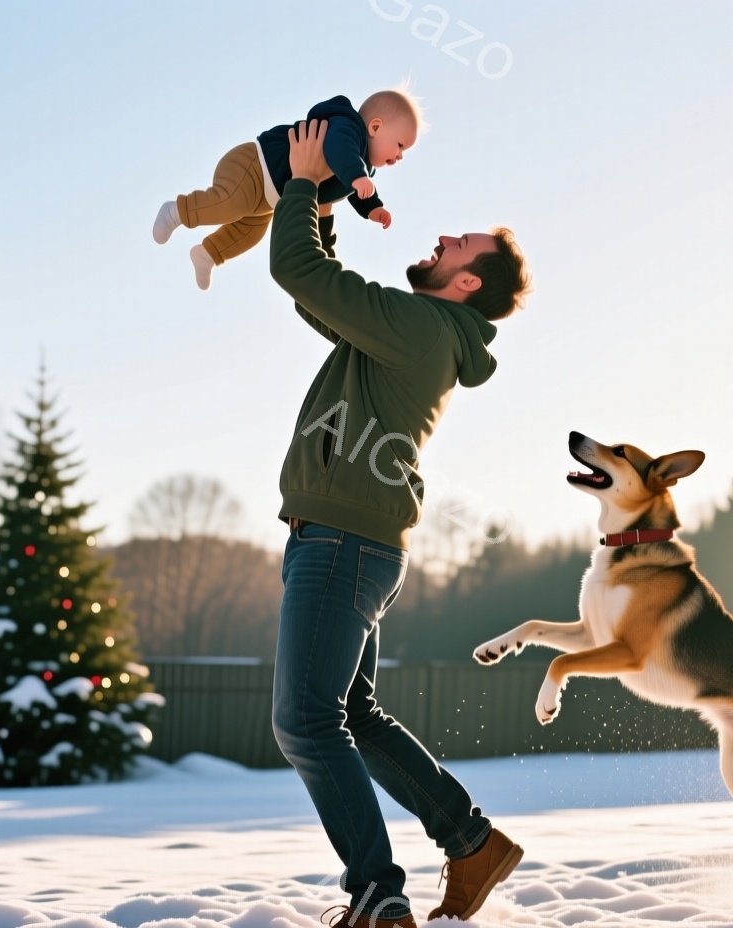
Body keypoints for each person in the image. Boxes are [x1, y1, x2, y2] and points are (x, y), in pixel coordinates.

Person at [268, 120, 531, 928]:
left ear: (463, 285)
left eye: (461, 246)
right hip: (357, 543)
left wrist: (308, 180)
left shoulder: (419, 328)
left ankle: (378, 894)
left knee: (307, 720)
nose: (445, 238)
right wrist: (326, 197)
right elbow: (323, 286)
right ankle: (470, 839)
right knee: (353, 718)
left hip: (343, 544)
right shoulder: (417, 331)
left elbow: (295, 269)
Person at [152, 90, 420, 290]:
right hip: (254, 167)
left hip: (269, 198)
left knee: (249, 233)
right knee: (229, 202)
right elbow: (340, 151)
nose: (400, 156)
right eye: (399, 145)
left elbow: (358, 186)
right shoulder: (348, 130)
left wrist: (373, 207)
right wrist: (357, 177)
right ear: (375, 127)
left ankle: (208, 253)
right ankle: (177, 211)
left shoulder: (361, 167)